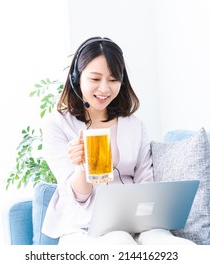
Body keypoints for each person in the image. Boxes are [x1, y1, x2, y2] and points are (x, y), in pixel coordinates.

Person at [41, 36, 195, 245]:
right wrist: (81, 168)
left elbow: (145, 182)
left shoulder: (134, 125)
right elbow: (79, 197)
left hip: (134, 220)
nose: (104, 89)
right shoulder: (58, 124)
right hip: (83, 225)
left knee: (175, 246)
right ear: (77, 77)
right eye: (95, 79)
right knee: (119, 243)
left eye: (113, 80)